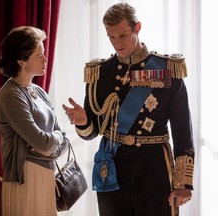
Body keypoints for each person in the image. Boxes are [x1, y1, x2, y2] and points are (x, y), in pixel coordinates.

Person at [62, 2, 194, 216]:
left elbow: (182, 131)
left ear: (137, 28)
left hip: (154, 167)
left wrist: (183, 183)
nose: (117, 43)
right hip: (113, 166)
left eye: (122, 36)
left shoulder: (167, 69)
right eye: (111, 37)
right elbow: (92, 131)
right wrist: (83, 121)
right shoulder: (100, 72)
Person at [0, 26, 69, 216]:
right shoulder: (10, 94)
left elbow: (62, 139)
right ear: (21, 62)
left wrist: (50, 144)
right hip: (25, 178)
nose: (46, 59)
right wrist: (51, 142)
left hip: (45, 174)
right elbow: (42, 142)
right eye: (39, 55)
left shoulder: (39, 92)